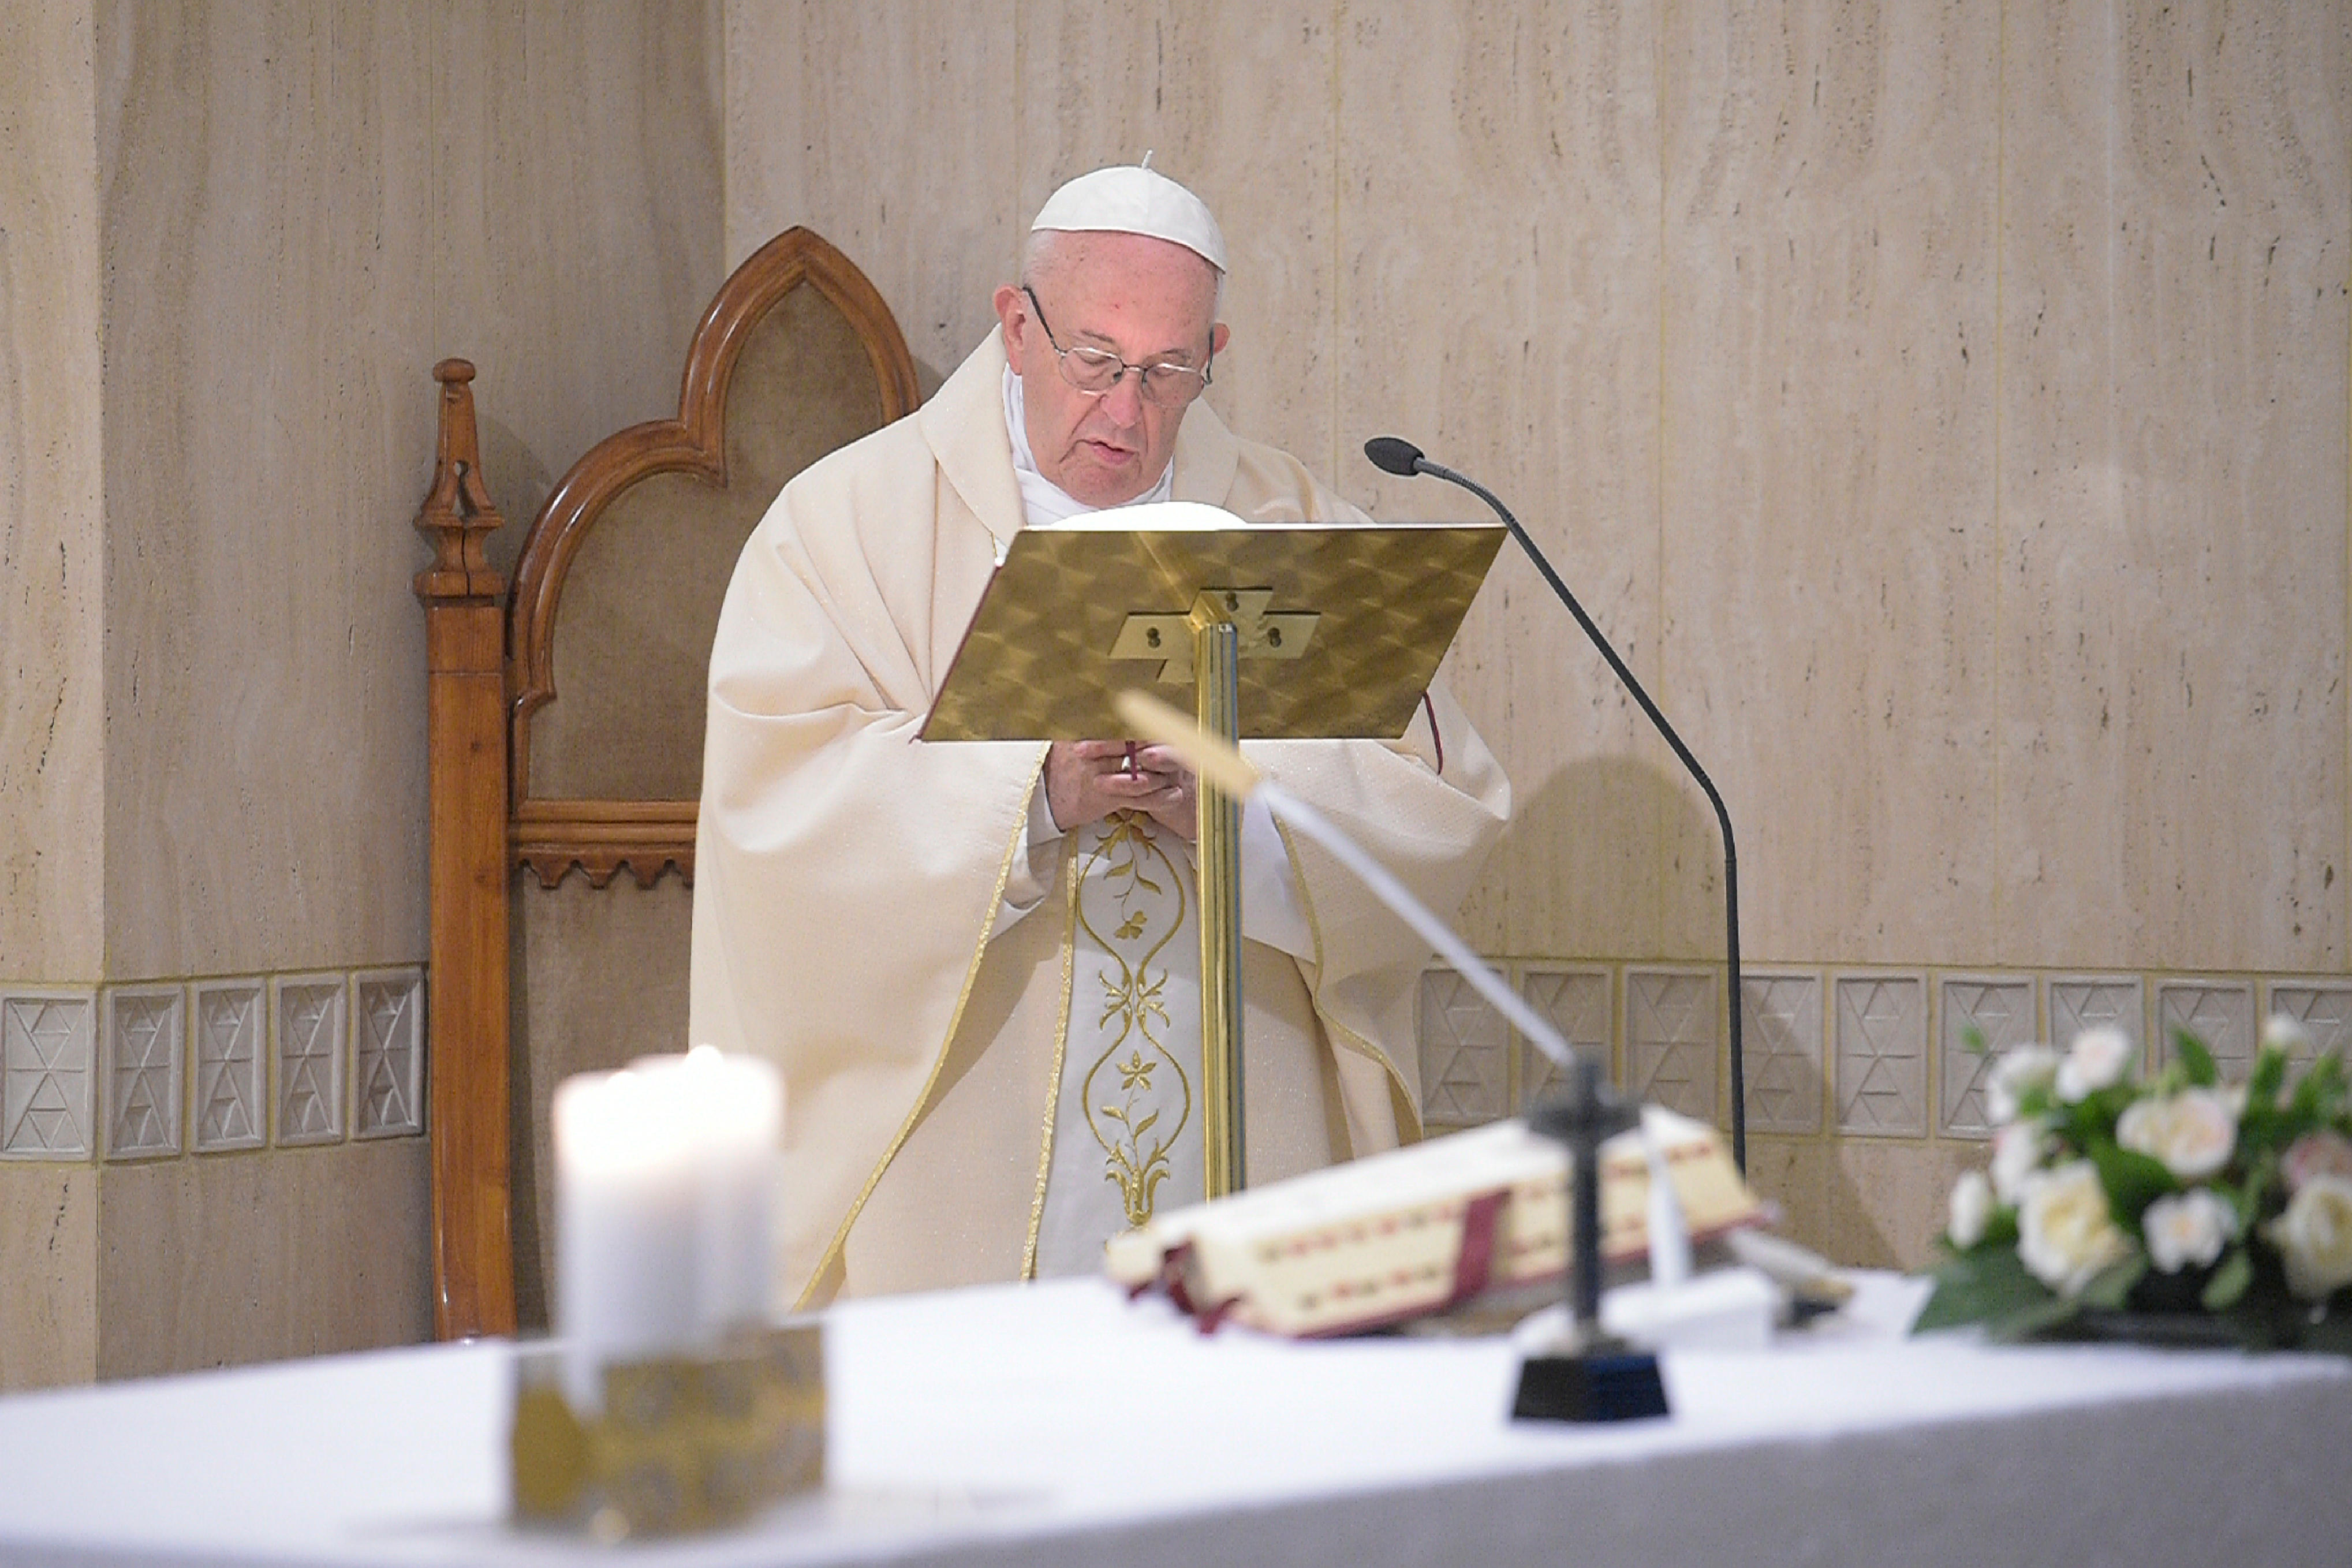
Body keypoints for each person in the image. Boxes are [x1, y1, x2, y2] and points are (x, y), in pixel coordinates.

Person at [690, 164, 1510, 1311]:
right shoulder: (846, 524)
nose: (1127, 412)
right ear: (1016, 325)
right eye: (1094, 360)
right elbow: (776, 815)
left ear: (1213, 353)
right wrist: (1030, 792)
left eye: (1169, 370)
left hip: (1241, 1130)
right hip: (959, 1167)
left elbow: (1436, 803)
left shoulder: (1295, 522)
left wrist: (1242, 809)